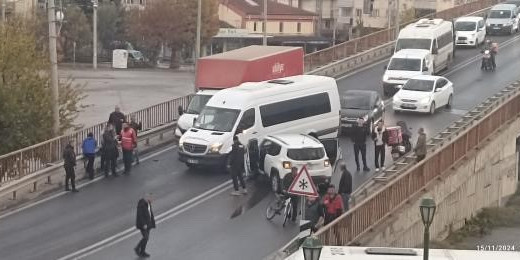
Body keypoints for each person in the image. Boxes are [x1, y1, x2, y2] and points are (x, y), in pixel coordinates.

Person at [135, 192, 156, 258]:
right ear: (147, 198)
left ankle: (142, 251)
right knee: (146, 237)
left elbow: (150, 213)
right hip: (143, 225)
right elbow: (140, 215)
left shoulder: (148, 204)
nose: (153, 199)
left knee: (146, 238)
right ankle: (137, 248)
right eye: (151, 197)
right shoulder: (141, 204)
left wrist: (152, 223)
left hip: (148, 224)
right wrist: (144, 224)